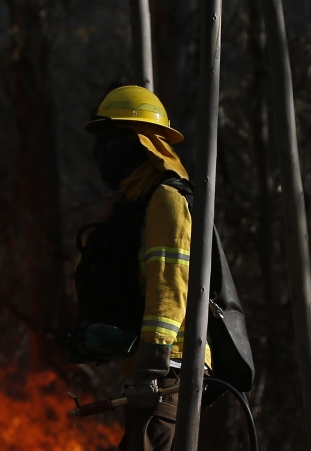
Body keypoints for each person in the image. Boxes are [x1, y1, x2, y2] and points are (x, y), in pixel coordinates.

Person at [76, 85, 211, 451]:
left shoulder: (166, 200)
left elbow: (171, 286)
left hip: (170, 369)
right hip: (146, 372)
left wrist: (151, 369)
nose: (104, 150)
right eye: (100, 140)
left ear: (144, 143)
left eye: (114, 138)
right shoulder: (127, 209)